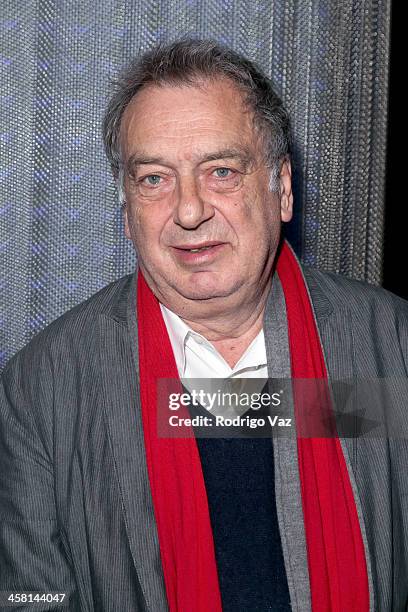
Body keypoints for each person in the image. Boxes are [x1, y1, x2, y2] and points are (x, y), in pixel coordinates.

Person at [0, 39, 407, 612]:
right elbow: (29, 599)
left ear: (282, 188)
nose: (189, 211)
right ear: (125, 210)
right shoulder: (42, 389)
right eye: (154, 179)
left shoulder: (390, 347)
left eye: (221, 171)